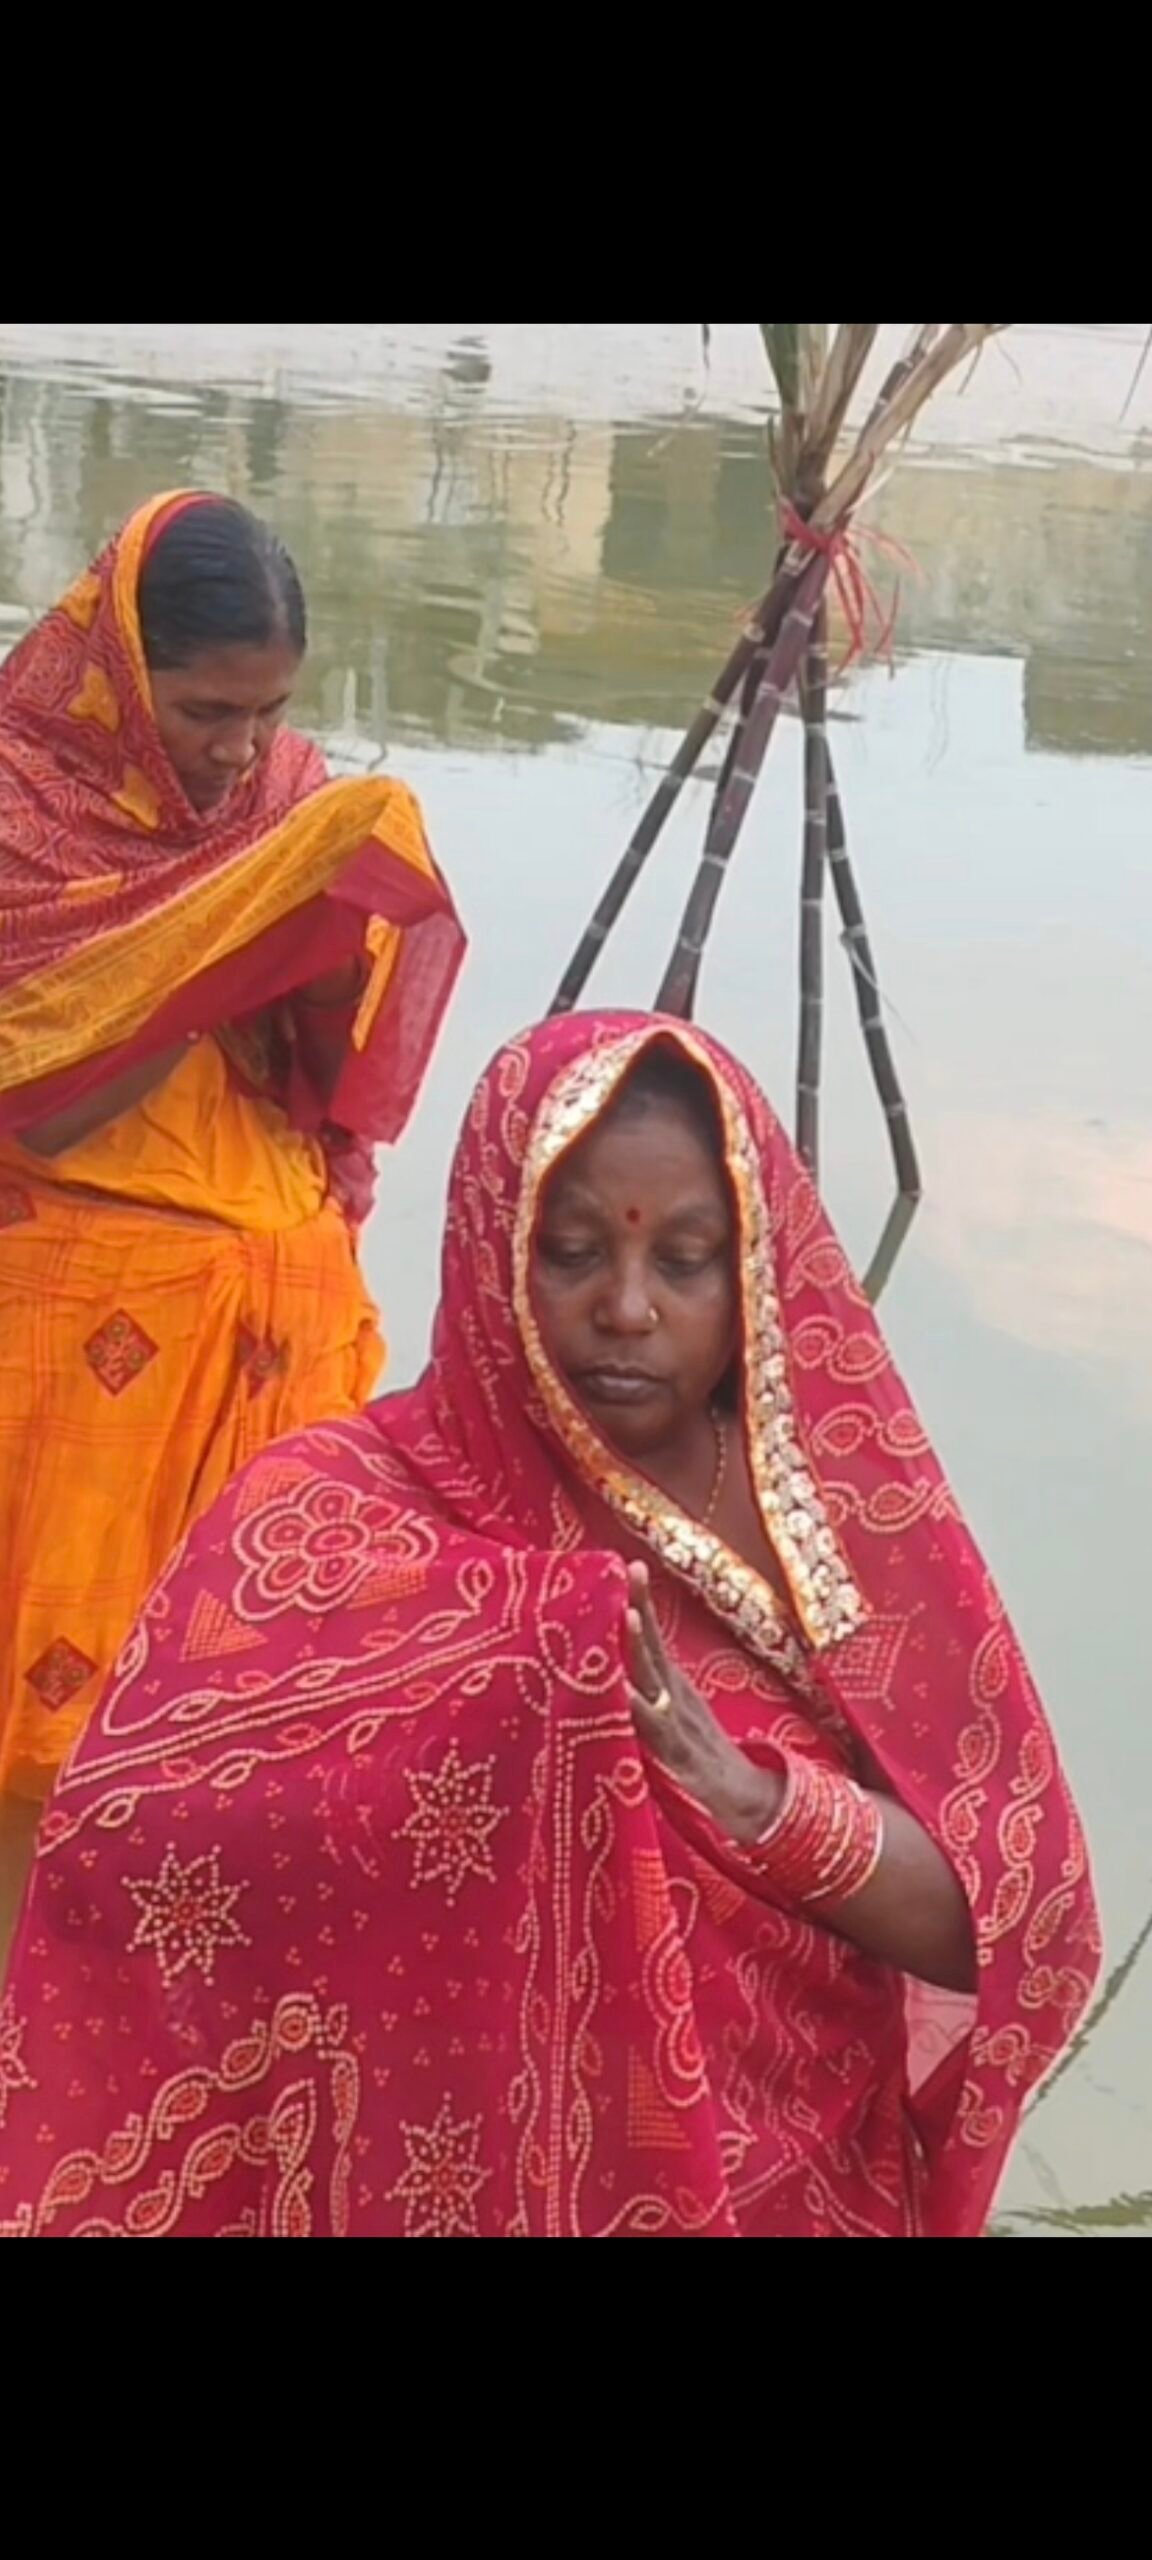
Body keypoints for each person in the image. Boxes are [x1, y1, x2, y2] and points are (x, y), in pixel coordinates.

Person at [0, 1012, 1098, 2239]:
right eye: (571, 1252)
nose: (627, 1307)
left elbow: (1009, 1926)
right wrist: (508, 1690)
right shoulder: (336, 1520)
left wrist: (747, 1798)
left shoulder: (833, 1511)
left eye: (685, 1260)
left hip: (790, 2190)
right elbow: (127, 1849)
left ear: (754, 1270)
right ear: (490, 1247)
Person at [0, 491, 465, 1816]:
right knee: (48, 1756)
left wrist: (325, 938)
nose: (238, 748)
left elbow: (328, 1084)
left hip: (278, 1325)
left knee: (246, 1749)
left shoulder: (287, 802)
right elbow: (39, 1104)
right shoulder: (20, 810)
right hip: (74, 1328)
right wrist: (227, 942)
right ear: (119, 675)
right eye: (206, 710)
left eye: (267, 712)